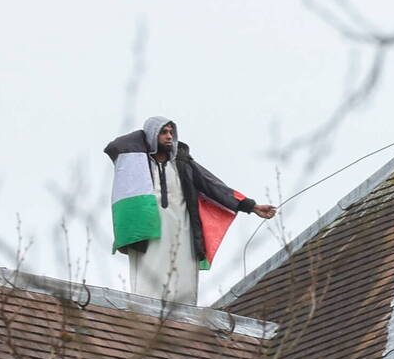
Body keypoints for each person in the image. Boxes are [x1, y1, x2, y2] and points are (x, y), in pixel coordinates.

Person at [104, 117, 276, 305]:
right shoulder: (137, 164)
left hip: (183, 231)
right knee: (149, 282)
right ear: (152, 135)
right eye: (163, 132)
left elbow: (213, 186)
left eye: (171, 132)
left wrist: (251, 206)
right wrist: (139, 139)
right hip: (149, 232)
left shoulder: (182, 163)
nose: (169, 137)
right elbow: (116, 147)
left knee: (183, 281)